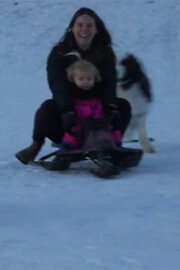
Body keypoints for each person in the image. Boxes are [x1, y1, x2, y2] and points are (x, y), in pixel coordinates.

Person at [15, 7, 131, 165]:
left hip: (97, 116)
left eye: (89, 25)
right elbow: (57, 83)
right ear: (72, 28)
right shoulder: (59, 53)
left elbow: (110, 83)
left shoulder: (105, 53)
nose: (84, 29)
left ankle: (110, 146)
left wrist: (110, 106)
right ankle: (35, 145)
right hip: (69, 119)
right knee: (46, 109)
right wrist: (66, 109)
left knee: (123, 106)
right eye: (80, 25)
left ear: (96, 29)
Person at [57, 58, 122, 153]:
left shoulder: (97, 94)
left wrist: (101, 118)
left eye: (89, 79)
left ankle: (116, 148)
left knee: (113, 131)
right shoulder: (72, 95)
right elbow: (73, 108)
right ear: (73, 79)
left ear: (94, 79)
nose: (85, 81)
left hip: (97, 125)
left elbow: (100, 108)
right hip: (80, 126)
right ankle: (64, 152)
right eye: (81, 79)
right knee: (72, 137)